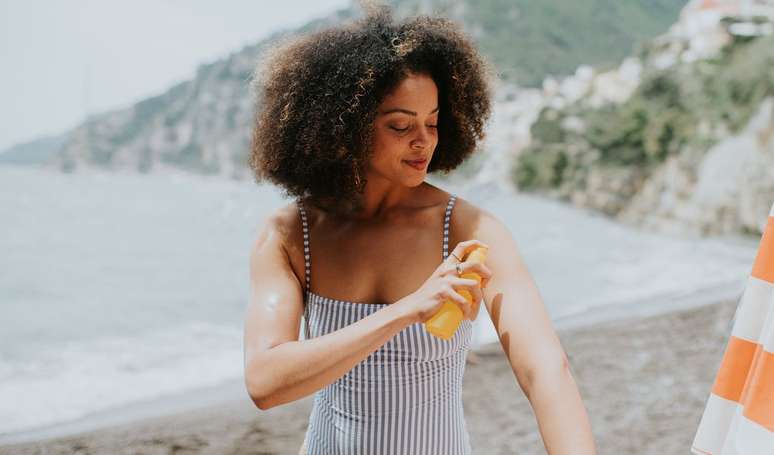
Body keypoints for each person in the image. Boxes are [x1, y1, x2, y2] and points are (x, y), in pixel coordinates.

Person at [243, 5, 596, 454]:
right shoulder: (291, 234)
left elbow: (545, 370)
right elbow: (264, 383)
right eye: (400, 125)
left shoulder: (469, 229)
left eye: (432, 122)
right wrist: (408, 310)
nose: (423, 140)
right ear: (344, 127)